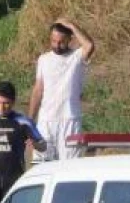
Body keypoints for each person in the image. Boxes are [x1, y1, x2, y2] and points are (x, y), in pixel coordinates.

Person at [28, 18, 95, 162]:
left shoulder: (76, 58)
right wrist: (30, 121)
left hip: (69, 120)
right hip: (46, 122)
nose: (56, 45)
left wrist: (71, 25)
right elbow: (38, 90)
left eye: (61, 42)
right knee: (41, 165)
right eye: (53, 41)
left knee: (70, 168)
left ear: (70, 39)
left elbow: (89, 45)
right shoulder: (43, 60)